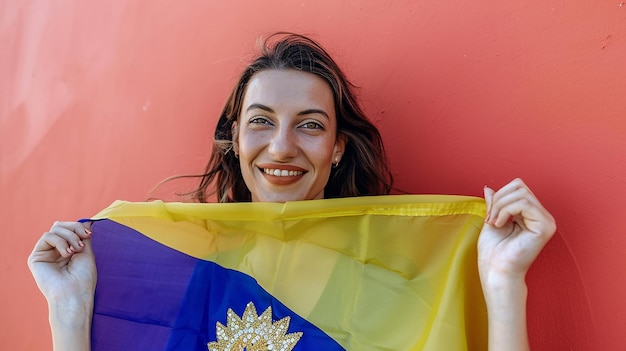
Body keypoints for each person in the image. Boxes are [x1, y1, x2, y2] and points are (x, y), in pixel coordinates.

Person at [28, 33, 556, 351]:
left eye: (309, 125)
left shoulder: (392, 282)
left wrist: (505, 284)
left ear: (339, 148)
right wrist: (68, 310)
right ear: (234, 139)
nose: (281, 147)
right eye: (261, 121)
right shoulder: (195, 268)